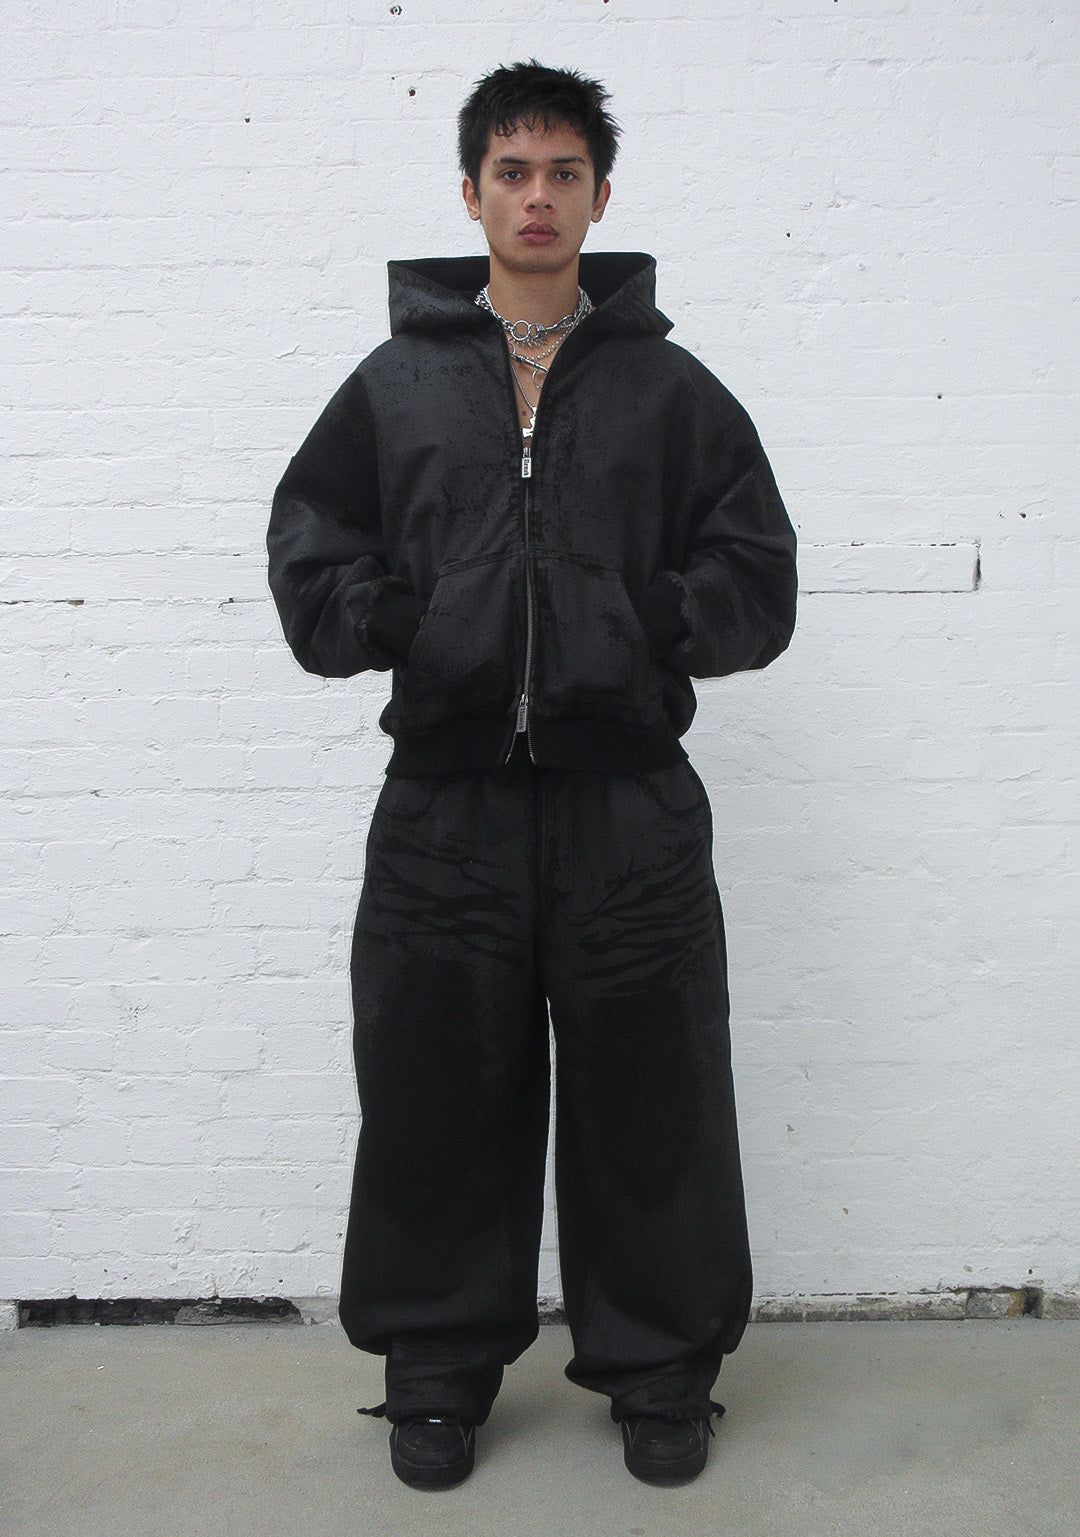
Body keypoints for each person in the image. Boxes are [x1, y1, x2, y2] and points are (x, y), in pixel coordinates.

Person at [267, 60, 797, 1490]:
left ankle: (664, 1369)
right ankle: (436, 1372)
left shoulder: (671, 392)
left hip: (629, 805)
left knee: (655, 1097)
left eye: (566, 172)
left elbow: (757, 573)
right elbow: (311, 545)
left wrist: (647, 622)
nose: (539, 196)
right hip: (447, 806)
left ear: (601, 198)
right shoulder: (396, 388)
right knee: (435, 1090)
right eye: (513, 172)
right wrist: (401, 620)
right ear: (472, 195)